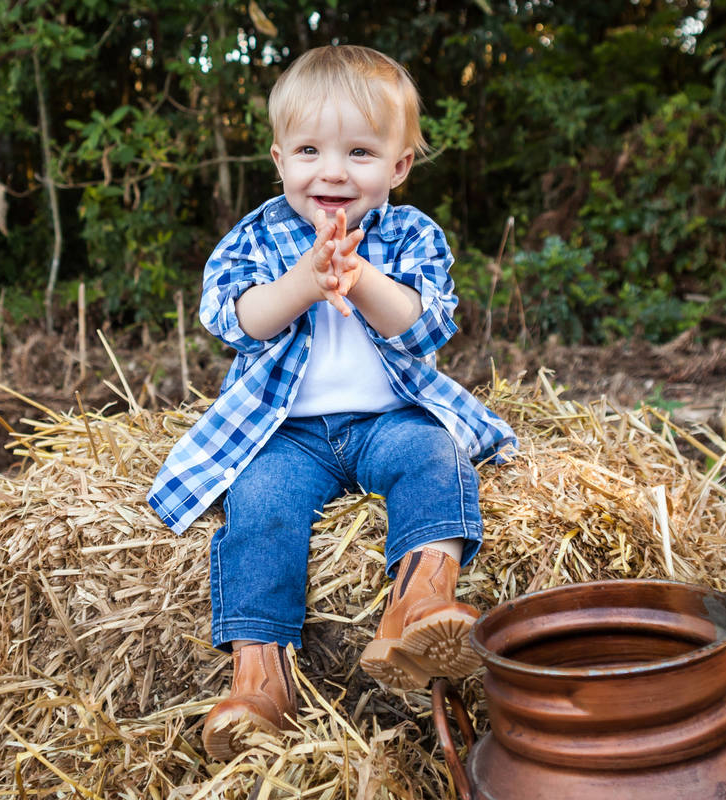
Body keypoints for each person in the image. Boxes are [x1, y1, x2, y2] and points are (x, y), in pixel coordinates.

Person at [146, 44, 516, 760]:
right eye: (311, 149)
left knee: (436, 457)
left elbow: (429, 322)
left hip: (390, 419)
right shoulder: (256, 236)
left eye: (361, 152)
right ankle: (261, 680)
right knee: (258, 505)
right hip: (289, 433)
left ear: (399, 165)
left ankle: (419, 602)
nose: (334, 171)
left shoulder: (412, 234)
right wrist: (306, 282)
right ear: (280, 157)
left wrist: (362, 277)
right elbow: (234, 319)